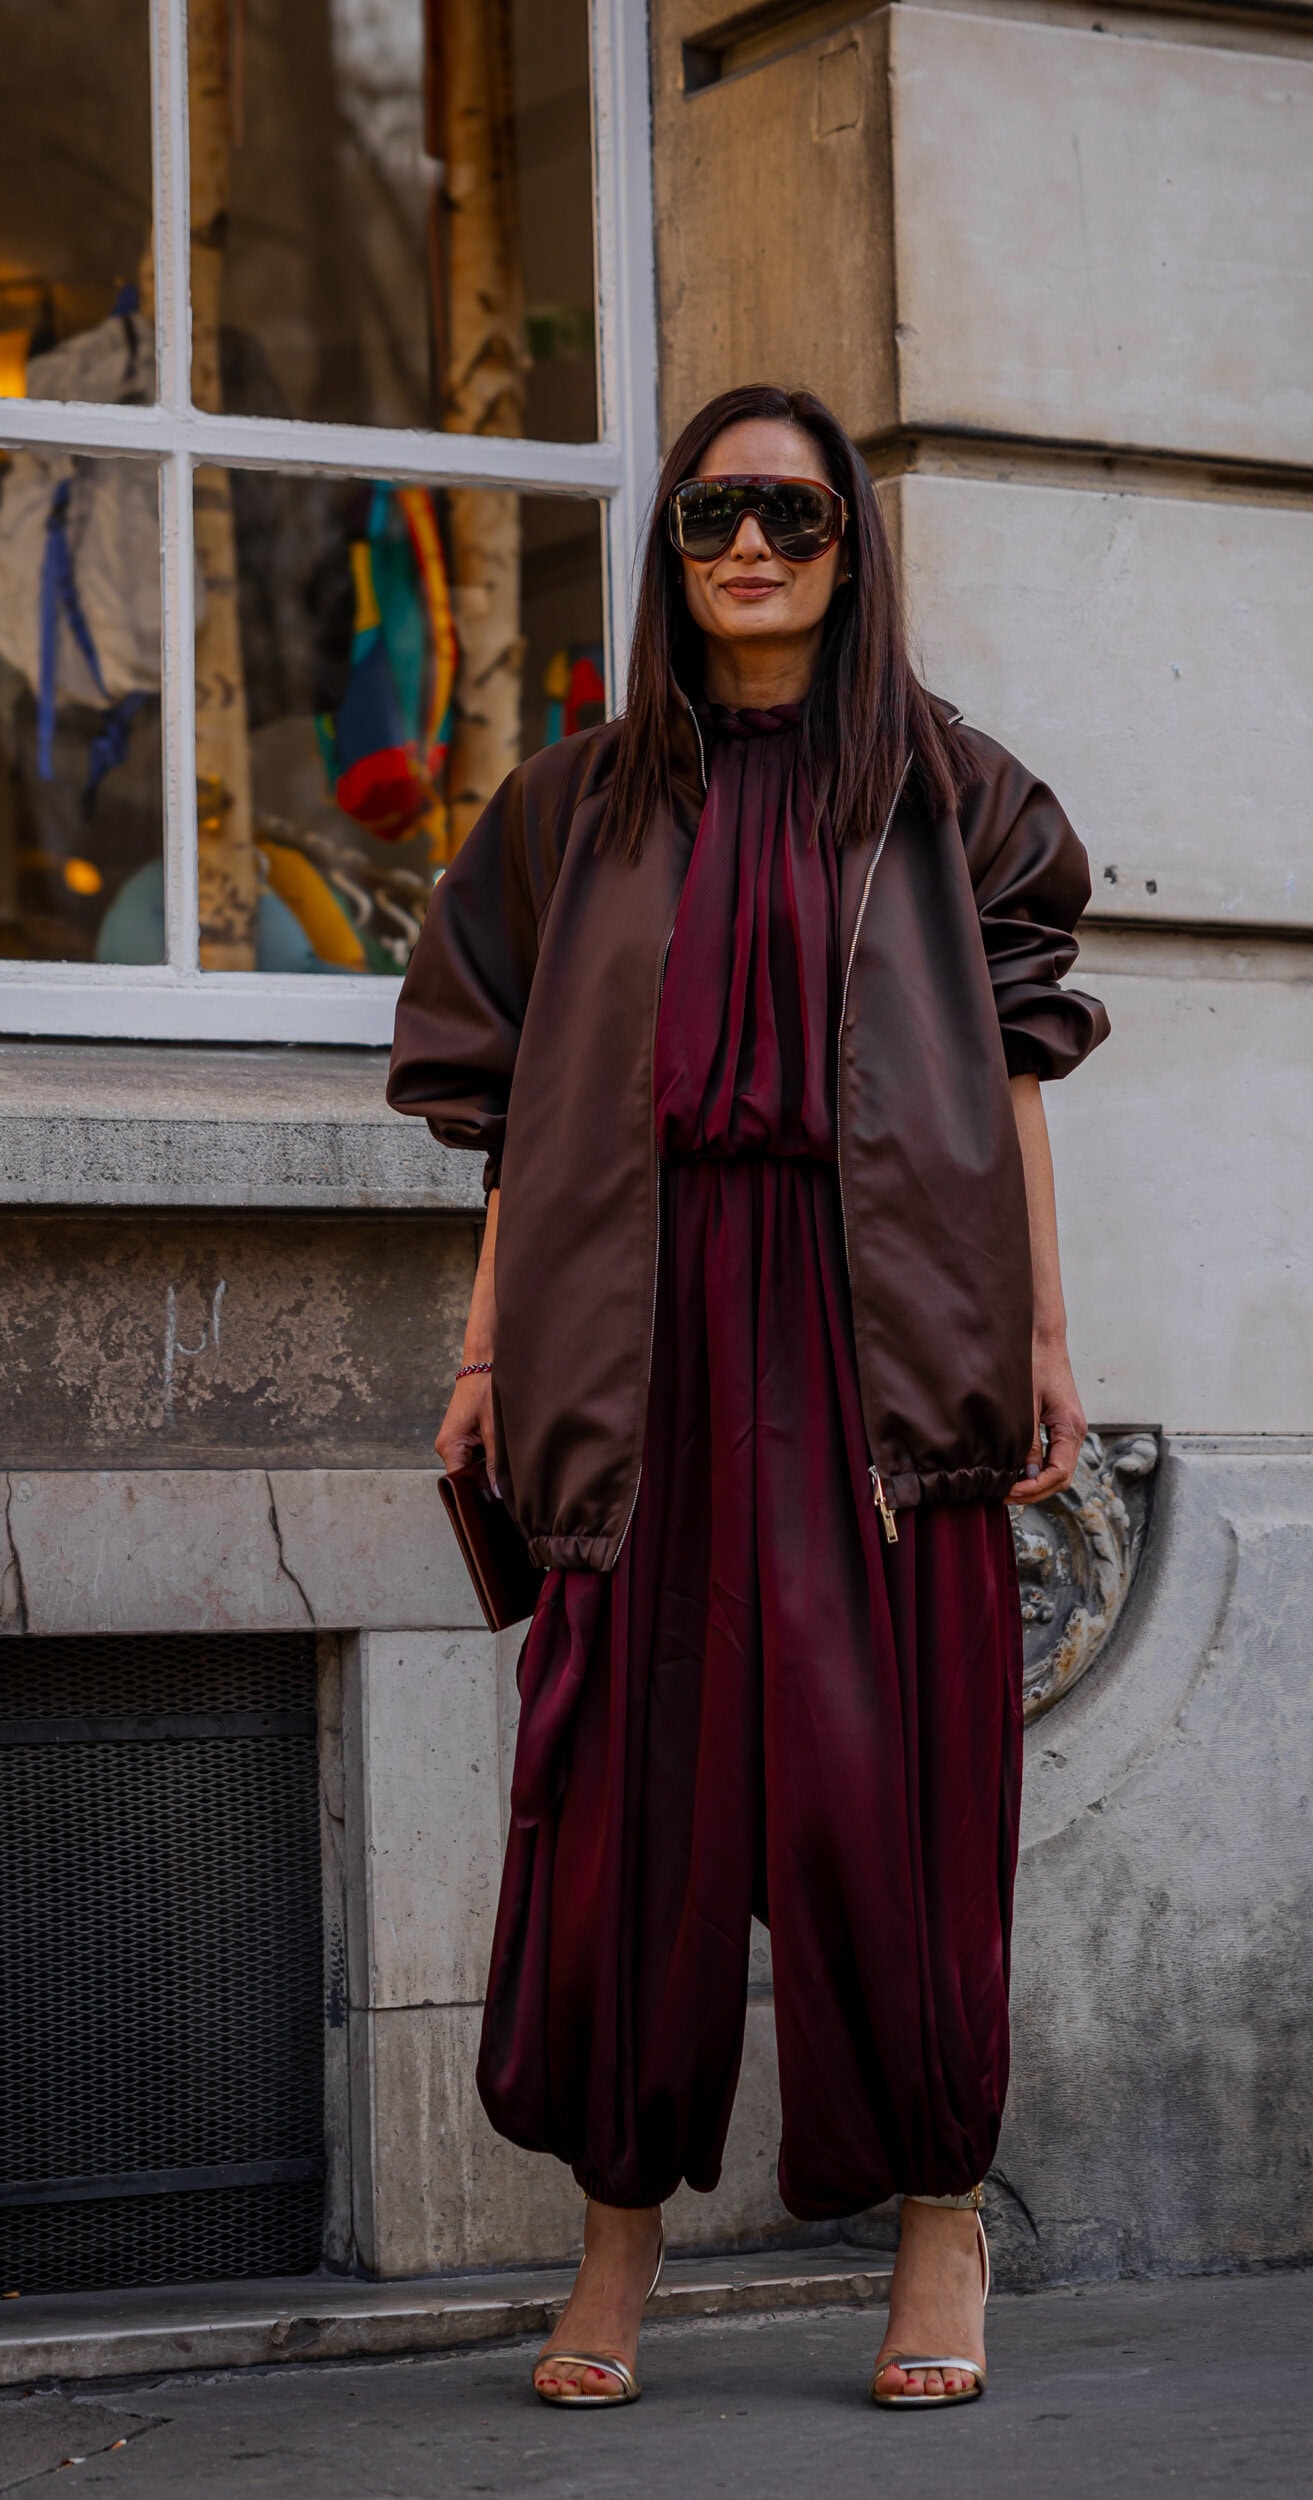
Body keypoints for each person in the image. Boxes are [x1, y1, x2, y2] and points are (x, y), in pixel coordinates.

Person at [387, 383, 1109, 2410]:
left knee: (896, 1796)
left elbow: (1016, 1077)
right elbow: (516, 1122)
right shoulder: (575, 807)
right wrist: (483, 1352)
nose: (751, 546)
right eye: (711, 512)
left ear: (850, 542)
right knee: (632, 1799)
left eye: (791, 512)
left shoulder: (949, 792)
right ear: (671, 546)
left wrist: (1044, 1334)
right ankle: (614, 2241)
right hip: (643, 1336)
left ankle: (941, 2221)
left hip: (880, 1333)